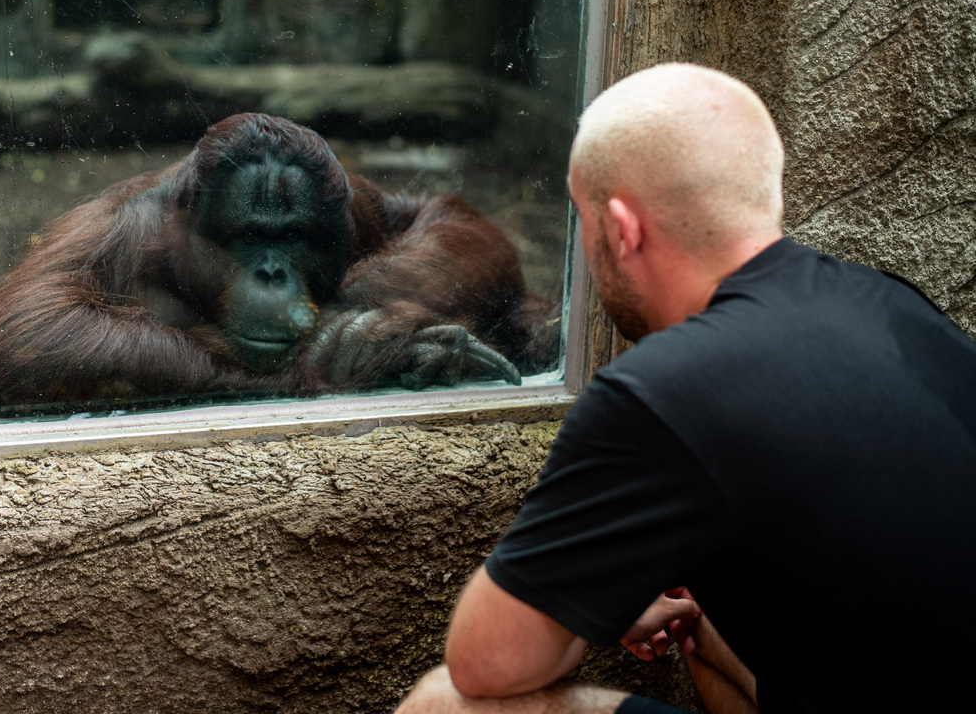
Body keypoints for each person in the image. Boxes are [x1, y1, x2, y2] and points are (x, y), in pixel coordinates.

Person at [394, 62, 976, 713]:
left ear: (621, 228)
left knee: (443, 704)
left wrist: (587, 602)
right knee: (702, 609)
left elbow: (484, 664)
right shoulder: (893, 305)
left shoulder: (661, 390)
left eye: (581, 221)